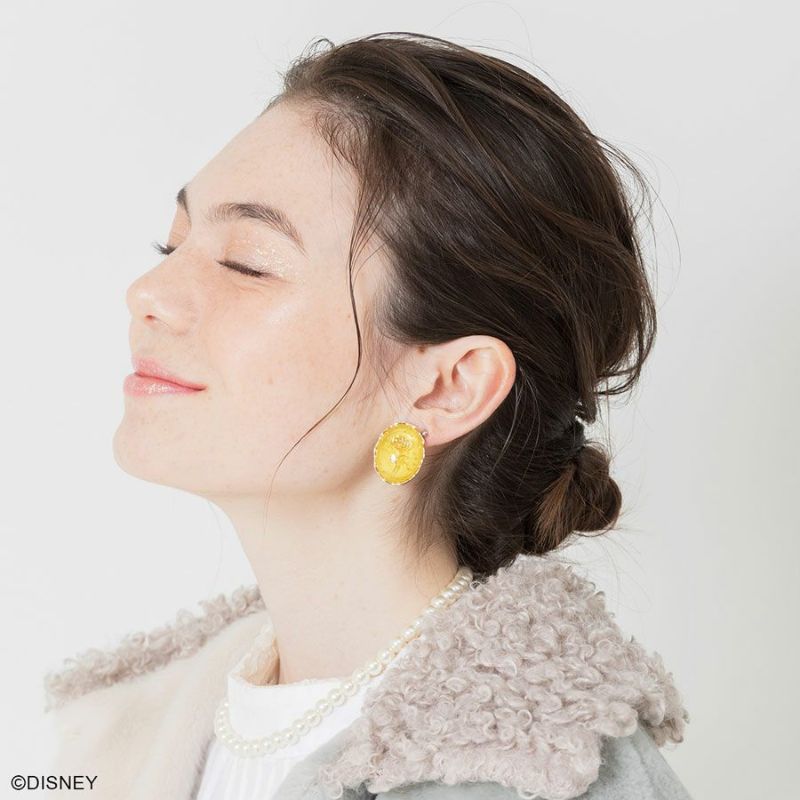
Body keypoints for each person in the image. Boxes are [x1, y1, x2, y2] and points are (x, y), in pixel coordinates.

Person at [42, 31, 693, 800]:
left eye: (247, 263)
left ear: (447, 387)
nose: (147, 293)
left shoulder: (541, 778)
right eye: (172, 243)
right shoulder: (107, 739)